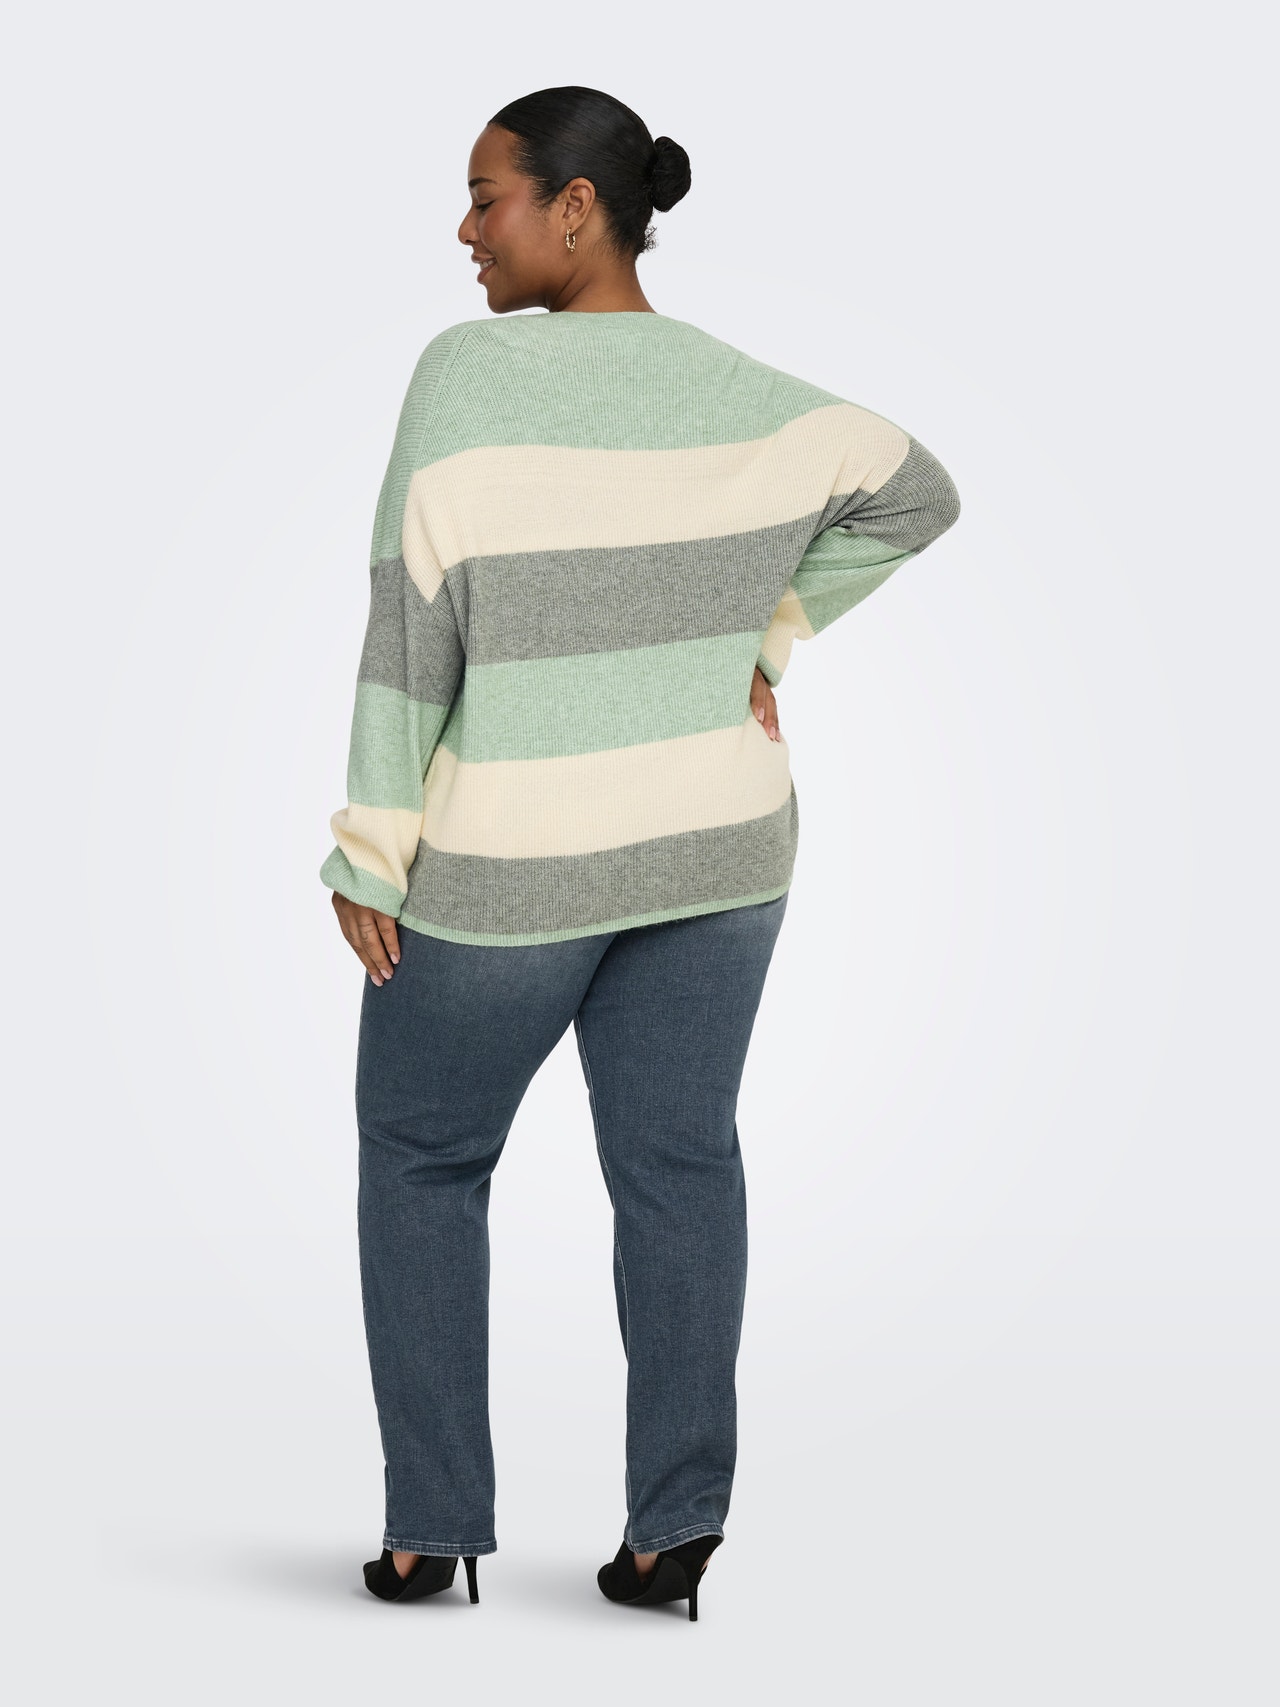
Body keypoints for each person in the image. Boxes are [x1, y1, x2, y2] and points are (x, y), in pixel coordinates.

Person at [319, 85, 961, 1618]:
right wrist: (769, 632)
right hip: (719, 853)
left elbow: (410, 627)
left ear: (576, 208)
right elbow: (915, 490)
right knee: (680, 1166)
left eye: (487, 198)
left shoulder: (468, 372)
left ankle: (432, 1531)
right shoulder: (744, 389)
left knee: (422, 1157)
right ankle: (676, 1532)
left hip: (516, 865)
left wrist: (370, 850)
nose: (465, 229)